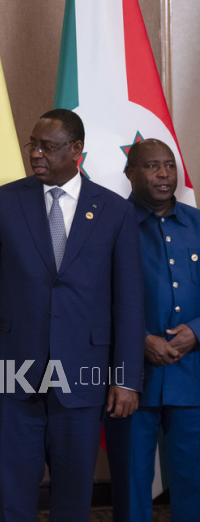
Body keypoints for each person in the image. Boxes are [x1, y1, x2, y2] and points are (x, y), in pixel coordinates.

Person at [0, 109, 145, 521]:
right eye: (33, 145)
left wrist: (127, 378)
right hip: (12, 375)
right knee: (12, 500)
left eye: (48, 146)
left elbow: (129, 302)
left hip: (84, 377)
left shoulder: (115, 211)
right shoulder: (3, 202)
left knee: (74, 500)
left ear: (76, 150)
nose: (36, 154)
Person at [120, 138, 200, 521]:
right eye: (152, 166)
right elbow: (92, 299)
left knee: (194, 479)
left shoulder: (198, 223)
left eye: (169, 164)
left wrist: (198, 331)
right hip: (132, 376)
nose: (165, 173)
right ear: (129, 172)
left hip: (192, 374)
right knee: (132, 481)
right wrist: (139, 340)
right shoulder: (110, 225)